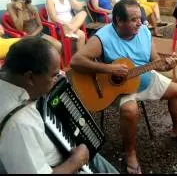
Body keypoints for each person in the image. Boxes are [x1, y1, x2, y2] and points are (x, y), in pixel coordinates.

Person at [70, 0, 177, 174]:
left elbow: (155, 60)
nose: (140, 23)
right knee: (130, 111)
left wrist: (167, 64)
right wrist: (109, 68)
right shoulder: (103, 37)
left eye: (140, 18)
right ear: (119, 21)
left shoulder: (144, 32)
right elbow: (76, 61)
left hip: (144, 78)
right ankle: (130, 152)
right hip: (116, 88)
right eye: (134, 19)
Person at [0, 37, 119, 174]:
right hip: (63, 163)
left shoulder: (11, 80)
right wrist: (77, 160)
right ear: (30, 78)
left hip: (62, 145)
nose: (61, 77)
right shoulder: (20, 124)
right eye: (54, 75)